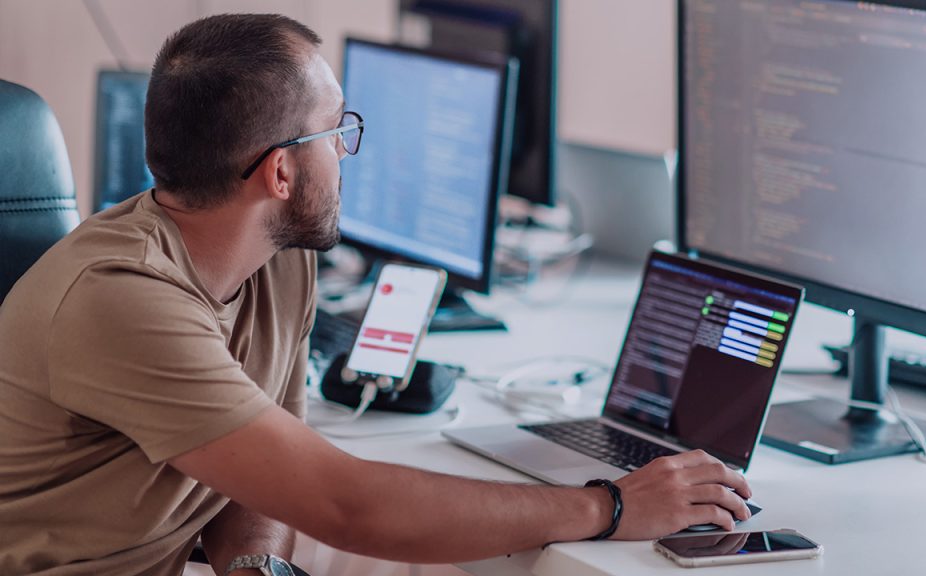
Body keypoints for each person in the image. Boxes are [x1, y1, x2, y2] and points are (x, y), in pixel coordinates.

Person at [0, 13, 751, 576]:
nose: (346, 150)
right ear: (280, 173)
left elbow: (266, 480)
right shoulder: (121, 298)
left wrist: (257, 568)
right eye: (336, 131)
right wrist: (610, 506)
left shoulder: (276, 259)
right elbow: (346, 504)